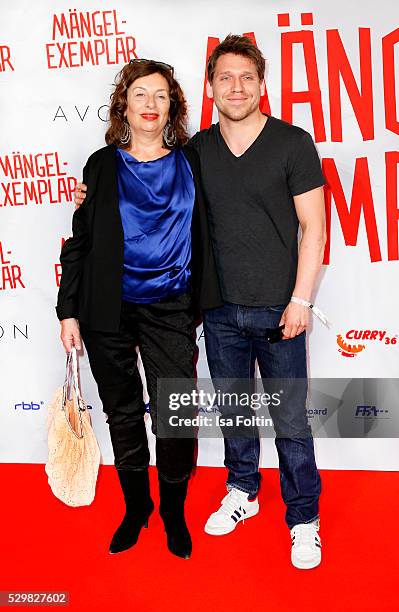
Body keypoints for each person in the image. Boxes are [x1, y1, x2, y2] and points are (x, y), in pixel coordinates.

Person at [75, 35, 327, 569]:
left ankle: (304, 518)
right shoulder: (196, 152)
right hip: (215, 313)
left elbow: (314, 226)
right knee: (236, 416)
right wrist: (90, 202)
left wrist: (302, 298)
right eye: (224, 78)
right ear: (210, 87)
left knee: (290, 420)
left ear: (262, 84)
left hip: (277, 308)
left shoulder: (289, 143)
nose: (236, 87)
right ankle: (241, 492)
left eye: (247, 77)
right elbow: (114, 210)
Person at [57, 58, 222, 560]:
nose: (151, 105)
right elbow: (80, 242)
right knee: (122, 412)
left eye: (162, 96)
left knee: (176, 415)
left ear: (173, 107)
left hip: (171, 308)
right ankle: (137, 508)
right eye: (141, 94)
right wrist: (68, 312)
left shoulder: (192, 161)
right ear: (123, 103)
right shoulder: (100, 165)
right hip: (106, 309)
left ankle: (173, 510)